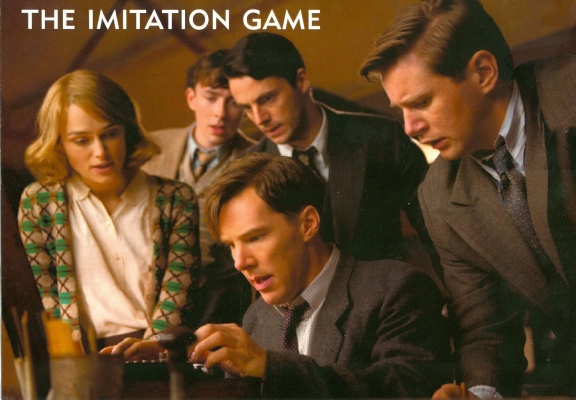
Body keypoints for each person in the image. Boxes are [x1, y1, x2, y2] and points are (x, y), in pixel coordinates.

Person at [360, 0, 576, 397]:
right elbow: (486, 329)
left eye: (421, 102)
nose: (409, 128)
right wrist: (480, 394)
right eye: (401, 110)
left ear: (483, 72)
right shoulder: (438, 198)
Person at [108, 153, 452, 397]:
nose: (240, 262)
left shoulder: (396, 289)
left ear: (308, 224)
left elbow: (405, 389)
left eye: (255, 238)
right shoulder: (257, 318)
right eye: (231, 245)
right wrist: (169, 363)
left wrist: (269, 367)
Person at [223, 32, 439, 273]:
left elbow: (438, 232)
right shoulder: (246, 171)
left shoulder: (381, 138)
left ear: (301, 81)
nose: (259, 118)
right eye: (247, 108)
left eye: (267, 99)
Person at [18, 70, 201, 348]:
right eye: (82, 140)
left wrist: (150, 350)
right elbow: (48, 298)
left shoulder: (177, 200)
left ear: (127, 130)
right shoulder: (37, 204)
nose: (101, 152)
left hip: (161, 351)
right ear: (59, 143)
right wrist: (76, 361)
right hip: (83, 357)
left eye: (110, 134)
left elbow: (178, 293)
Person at [141, 49, 254, 326]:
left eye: (233, 102)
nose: (220, 113)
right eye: (211, 97)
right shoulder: (150, 149)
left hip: (218, 308)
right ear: (191, 97)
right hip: (144, 299)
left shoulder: (259, 159)